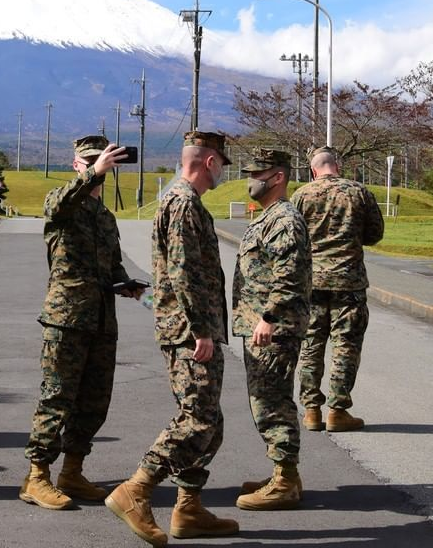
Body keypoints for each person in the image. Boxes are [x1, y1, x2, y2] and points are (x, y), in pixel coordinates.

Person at [106, 131, 239, 547]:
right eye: (221, 165)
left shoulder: (181, 201)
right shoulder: (182, 203)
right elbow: (182, 271)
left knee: (209, 423)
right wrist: (201, 328)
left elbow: (172, 274)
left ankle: (189, 507)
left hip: (188, 327)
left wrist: (149, 297)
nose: (221, 173)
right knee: (198, 418)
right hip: (190, 332)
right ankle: (137, 488)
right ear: (209, 162)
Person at [19, 135, 143, 511]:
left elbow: (112, 263)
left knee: (94, 402)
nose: (101, 167)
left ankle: (72, 470)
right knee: (57, 398)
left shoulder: (104, 217)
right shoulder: (62, 202)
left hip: (102, 319)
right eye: (90, 160)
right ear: (77, 164)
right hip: (67, 318)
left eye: (105, 160)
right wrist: (92, 173)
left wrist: (125, 283)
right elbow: (59, 203)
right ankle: (37, 476)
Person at [233, 148, 312, 511]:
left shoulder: (283, 219)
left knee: (272, 403)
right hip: (264, 326)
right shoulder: (269, 217)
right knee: (266, 399)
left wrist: (268, 317)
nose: (250, 180)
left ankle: (284, 480)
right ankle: (286, 475)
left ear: (277, 177)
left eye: (257, 173)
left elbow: (289, 275)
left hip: (274, 329)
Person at [290, 146, 384, 432]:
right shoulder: (359, 193)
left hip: (312, 282)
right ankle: (338, 410)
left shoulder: (301, 195)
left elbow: (292, 237)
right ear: (337, 167)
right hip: (349, 281)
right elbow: (375, 234)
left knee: (311, 345)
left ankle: (311, 410)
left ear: (313, 170)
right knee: (346, 346)